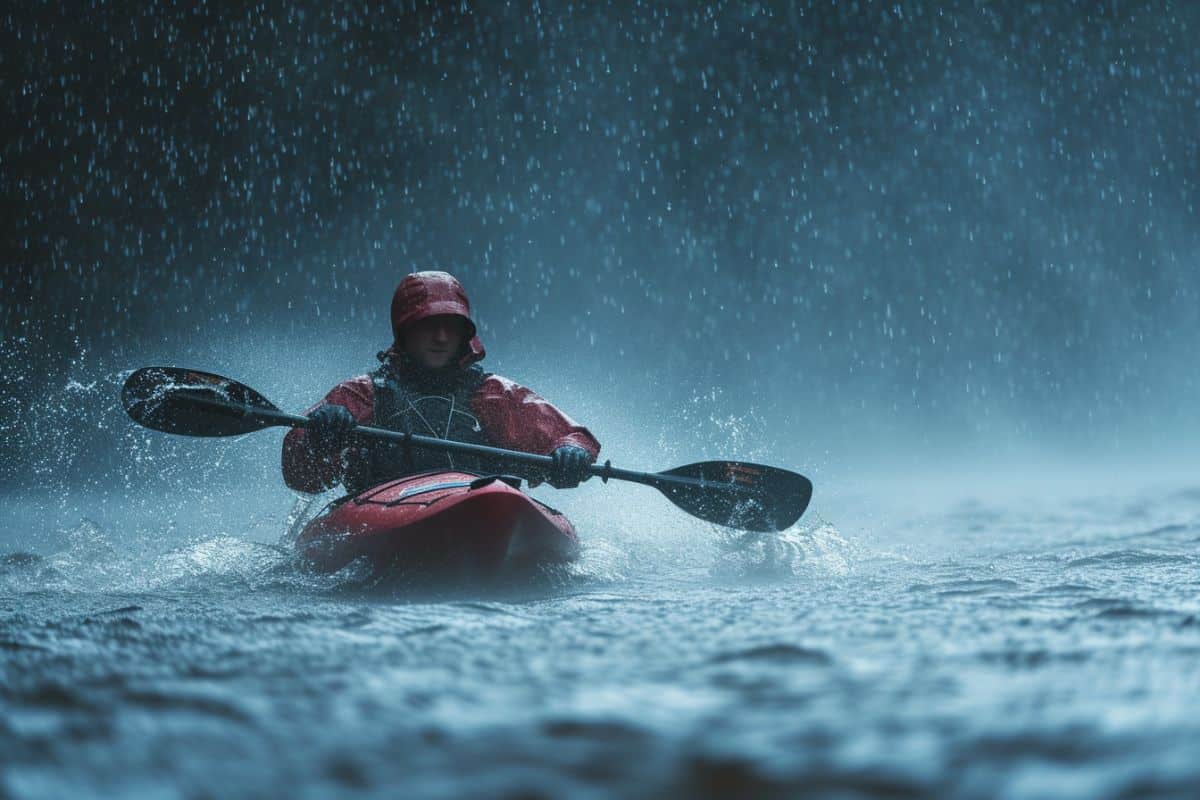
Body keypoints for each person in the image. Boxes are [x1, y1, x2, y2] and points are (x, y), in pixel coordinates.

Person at [282, 271, 600, 495]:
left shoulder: (493, 394)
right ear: (405, 330)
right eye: (429, 325)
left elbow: (569, 435)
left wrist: (570, 452)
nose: (441, 337)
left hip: (479, 511)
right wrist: (318, 437)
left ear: (464, 334)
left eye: (451, 326)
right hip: (383, 510)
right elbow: (299, 474)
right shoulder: (364, 393)